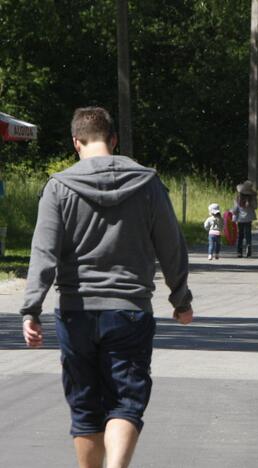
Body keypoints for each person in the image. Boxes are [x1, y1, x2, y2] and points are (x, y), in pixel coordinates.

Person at [20, 106, 193, 468]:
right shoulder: (147, 183)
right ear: (113, 140)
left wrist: (31, 309)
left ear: (75, 143)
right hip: (129, 310)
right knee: (125, 403)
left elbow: (44, 252)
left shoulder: (58, 187)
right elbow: (171, 245)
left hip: (75, 312)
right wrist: (180, 298)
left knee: (85, 408)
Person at [232, 180, 258, 258]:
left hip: (240, 219)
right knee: (248, 234)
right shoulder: (252, 198)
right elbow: (256, 207)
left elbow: (235, 210)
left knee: (240, 235)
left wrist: (232, 212)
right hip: (249, 219)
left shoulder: (238, 199)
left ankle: (239, 252)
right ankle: (248, 245)